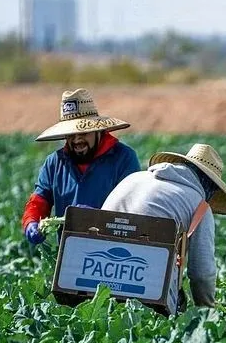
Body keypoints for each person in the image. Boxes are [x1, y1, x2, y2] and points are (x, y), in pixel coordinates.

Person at [101, 143, 226, 310]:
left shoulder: (133, 178)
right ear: (209, 185)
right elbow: (201, 274)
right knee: (178, 302)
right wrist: (207, 311)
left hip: (98, 273)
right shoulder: (200, 206)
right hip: (147, 285)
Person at [21, 88, 141, 245]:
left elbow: (133, 212)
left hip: (112, 251)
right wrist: (31, 221)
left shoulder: (123, 158)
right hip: (68, 252)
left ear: (99, 130)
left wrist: (97, 219)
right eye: (71, 135)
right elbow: (39, 201)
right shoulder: (54, 163)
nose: (77, 140)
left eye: (83, 133)